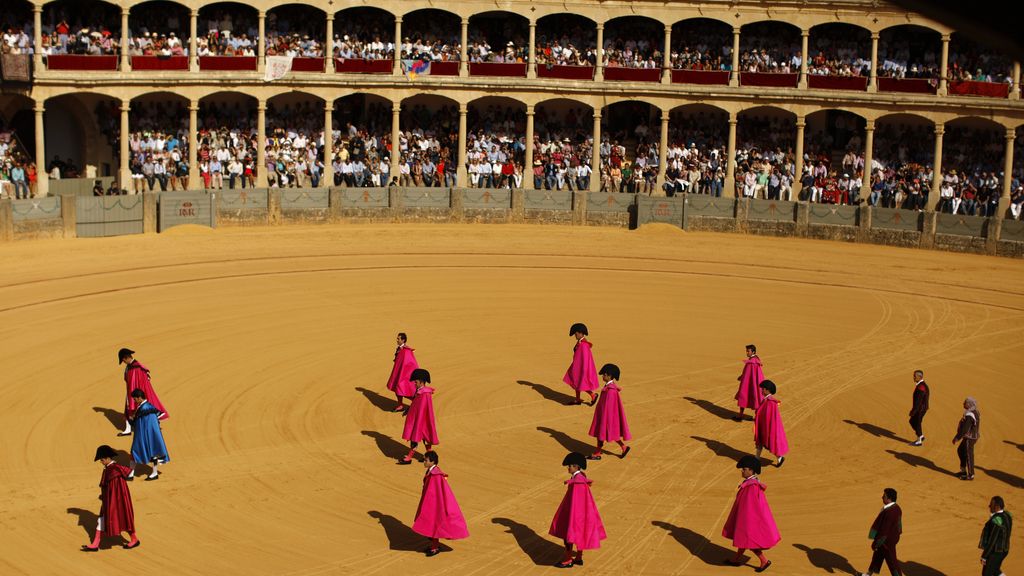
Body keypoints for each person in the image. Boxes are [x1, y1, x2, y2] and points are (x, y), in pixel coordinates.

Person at [723, 454, 780, 572]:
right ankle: (735, 559)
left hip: (749, 518)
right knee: (743, 539)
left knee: (749, 540)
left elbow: (750, 507)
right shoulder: (752, 483)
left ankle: (764, 561)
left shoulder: (752, 486)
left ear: (751, 470)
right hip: (748, 517)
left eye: (744, 469)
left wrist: (745, 520)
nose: (742, 471)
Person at [549, 452, 606, 568]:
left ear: (576, 466)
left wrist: (572, 515)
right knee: (581, 534)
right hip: (583, 512)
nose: (568, 468)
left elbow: (577, 500)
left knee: (568, 534)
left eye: (569, 466)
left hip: (576, 513)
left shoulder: (578, 481)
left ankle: (568, 560)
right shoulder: (581, 477)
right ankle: (579, 558)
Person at [411, 450, 469, 556]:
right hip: (432, 502)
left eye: (426, 460)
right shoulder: (432, 471)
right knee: (433, 524)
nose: (424, 462)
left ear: (432, 461)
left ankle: (435, 547)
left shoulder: (435, 474)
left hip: (435, 503)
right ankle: (434, 545)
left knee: (434, 523)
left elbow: (436, 490)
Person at [83, 445, 140, 552]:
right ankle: (95, 544)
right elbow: (128, 473)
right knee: (105, 520)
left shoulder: (113, 470)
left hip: (114, 501)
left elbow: (115, 488)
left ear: (108, 458)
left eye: (102, 459)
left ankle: (134, 539)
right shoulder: (112, 468)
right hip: (111, 500)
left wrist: (110, 499)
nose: (101, 461)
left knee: (121, 518)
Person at [118, 348, 168, 436]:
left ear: (126, 358)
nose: (123, 362)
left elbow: (139, 382)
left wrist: (135, 395)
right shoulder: (131, 366)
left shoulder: (136, 367)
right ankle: (128, 429)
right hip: (133, 392)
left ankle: (153, 427)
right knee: (129, 410)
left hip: (137, 393)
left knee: (143, 411)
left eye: (123, 360)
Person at [587, 363, 631, 460]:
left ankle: (598, 453)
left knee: (604, 434)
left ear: (609, 376)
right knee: (609, 434)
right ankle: (623, 447)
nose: (603, 376)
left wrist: (604, 419)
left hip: (606, 416)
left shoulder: (610, 390)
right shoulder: (609, 388)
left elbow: (609, 408)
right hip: (604, 415)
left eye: (604, 374)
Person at [128, 389, 169, 481]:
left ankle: (135, 474)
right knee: (151, 453)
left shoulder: (145, 408)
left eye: (135, 399)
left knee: (137, 452)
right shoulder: (146, 406)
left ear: (139, 398)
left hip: (144, 435)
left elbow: (143, 423)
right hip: (147, 435)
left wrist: (131, 419)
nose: (134, 401)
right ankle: (132, 473)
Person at [399, 368, 439, 465]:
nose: (414, 383)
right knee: (424, 438)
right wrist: (409, 410)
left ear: (421, 382)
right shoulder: (421, 391)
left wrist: (418, 420)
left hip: (421, 420)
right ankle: (428, 457)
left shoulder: (425, 393)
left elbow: (423, 409)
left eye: (416, 381)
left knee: (417, 438)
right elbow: (415, 404)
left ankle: (409, 458)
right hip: (418, 419)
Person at [859, 488, 902, 576]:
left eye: (884, 496)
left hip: (886, 541)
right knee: (877, 556)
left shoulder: (890, 512)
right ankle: (868, 574)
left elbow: (884, 531)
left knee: (892, 562)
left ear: (889, 498)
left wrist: (876, 543)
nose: (882, 497)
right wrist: (897, 535)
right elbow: (899, 525)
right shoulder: (897, 508)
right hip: (890, 538)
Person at [753, 380, 788, 468]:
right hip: (763, 425)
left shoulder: (771, 402)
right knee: (761, 442)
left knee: (768, 443)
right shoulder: (767, 400)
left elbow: (769, 417)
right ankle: (757, 459)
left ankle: (779, 458)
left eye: (763, 389)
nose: (761, 390)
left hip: (767, 427)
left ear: (767, 390)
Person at [563, 323, 599, 405]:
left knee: (581, 382)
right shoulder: (580, 342)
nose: (575, 336)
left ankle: (593, 395)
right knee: (575, 381)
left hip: (581, 367)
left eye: (576, 334)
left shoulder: (584, 345)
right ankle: (578, 399)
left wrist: (584, 370)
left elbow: (585, 359)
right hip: (577, 366)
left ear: (580, 333)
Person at [385, 332, 419, 412]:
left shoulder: (407, 350)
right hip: (399, 371)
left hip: (405, 373)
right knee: (398, 389)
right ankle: (400, 405)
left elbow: (411, 363)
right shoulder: (399, 348)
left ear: (403, 340)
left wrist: (408, 373)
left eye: (398, 338)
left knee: (404, 389)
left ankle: (415, 404)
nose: (397, 340)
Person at [979, 496, 1012, 576]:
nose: (989, 506)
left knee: (986, 574)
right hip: (1005, 550)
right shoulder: (1008, 515)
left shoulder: (996, 520)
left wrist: (984, 556)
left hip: (996, 552)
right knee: (995, 570)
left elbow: (992, 540)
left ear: (997, 507)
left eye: (991, 505)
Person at [953, 397, 980, 481]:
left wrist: (957, 437)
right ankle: (963, 470)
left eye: (965, 403)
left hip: (970, 438)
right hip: (970, 437)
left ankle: (971, 474)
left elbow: (965, 428)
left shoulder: (970, 415)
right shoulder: (975, 412)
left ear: (969, 404)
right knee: (961, 450)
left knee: (969, 454)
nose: (963, 404)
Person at [735, 344, 764, 421]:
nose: (747, 353)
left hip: (748, 384)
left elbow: (748, 374)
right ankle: (755, 417)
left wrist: (743, 377)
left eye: (748, 351)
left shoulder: (751, 362)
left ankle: (741, 416)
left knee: (744, 396)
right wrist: (742, 376)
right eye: (746, 351)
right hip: (753, 384)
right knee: (755, 397)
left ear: (753, 351)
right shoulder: (756, 360)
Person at [908, 370, 929, 446]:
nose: (913, 377)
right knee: (913, 422)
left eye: (915, 376)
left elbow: (918, 402)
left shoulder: (921, 387)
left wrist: (913, 411)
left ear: (920, 377)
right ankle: (920, 436)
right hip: (921, 408)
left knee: (917, 422)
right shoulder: (922, 385)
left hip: (920, 409)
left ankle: (919, 440)